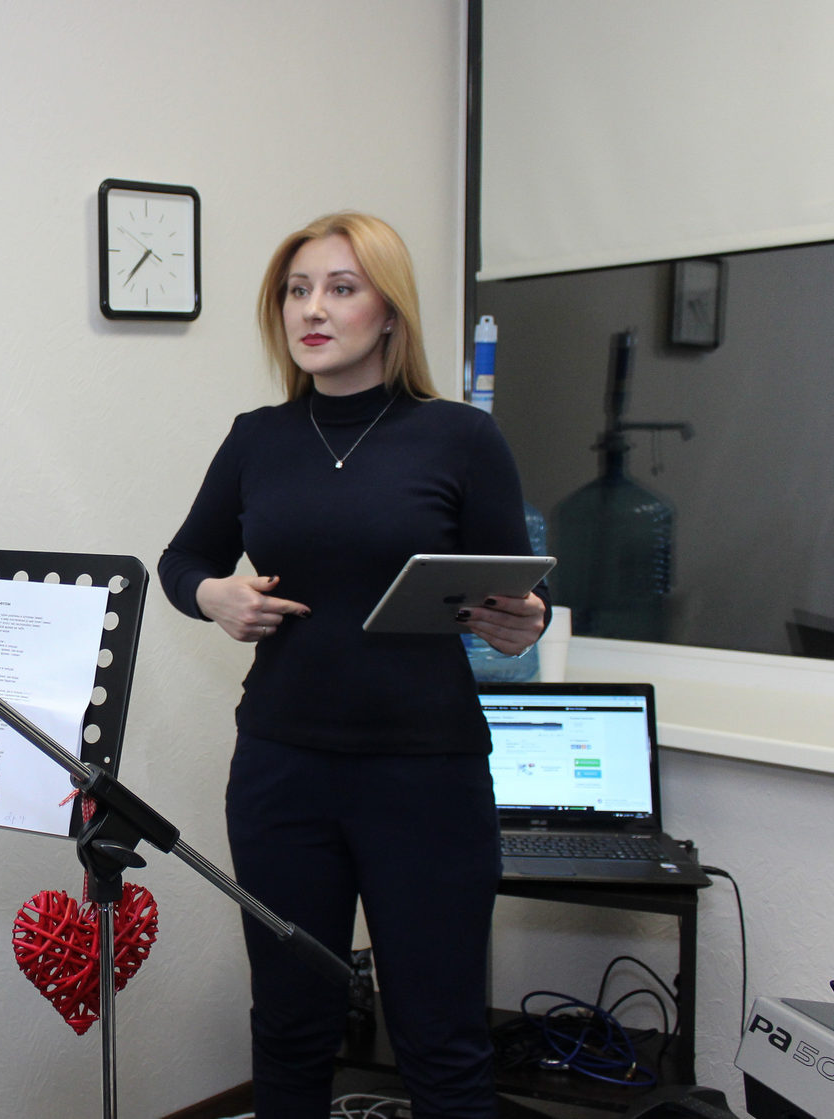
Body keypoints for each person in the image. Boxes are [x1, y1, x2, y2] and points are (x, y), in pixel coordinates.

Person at [158, 211, 547, 1118]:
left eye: (341, 288)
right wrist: (215, 596)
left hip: (427, 777)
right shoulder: (257, 438)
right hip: (283, 774)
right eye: (297, 290)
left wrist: (524, 620)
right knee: (291, 1027)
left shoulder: (460, 438)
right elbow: (182, 560)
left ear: (390, 311)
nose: (313, 309)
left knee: (440, 1038)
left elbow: (516, 588)